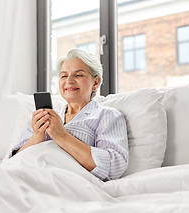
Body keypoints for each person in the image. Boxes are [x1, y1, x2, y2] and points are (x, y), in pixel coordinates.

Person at [10, 49, 128, 181]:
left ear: (95, 83)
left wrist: (61, 135)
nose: (69, 81)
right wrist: (37, 137)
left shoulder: (106, 116)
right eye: (64, 76)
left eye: (78, 75)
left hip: (63, 182)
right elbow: (12, 162)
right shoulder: (43, 117)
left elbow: (113, 167)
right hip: (25, 176)